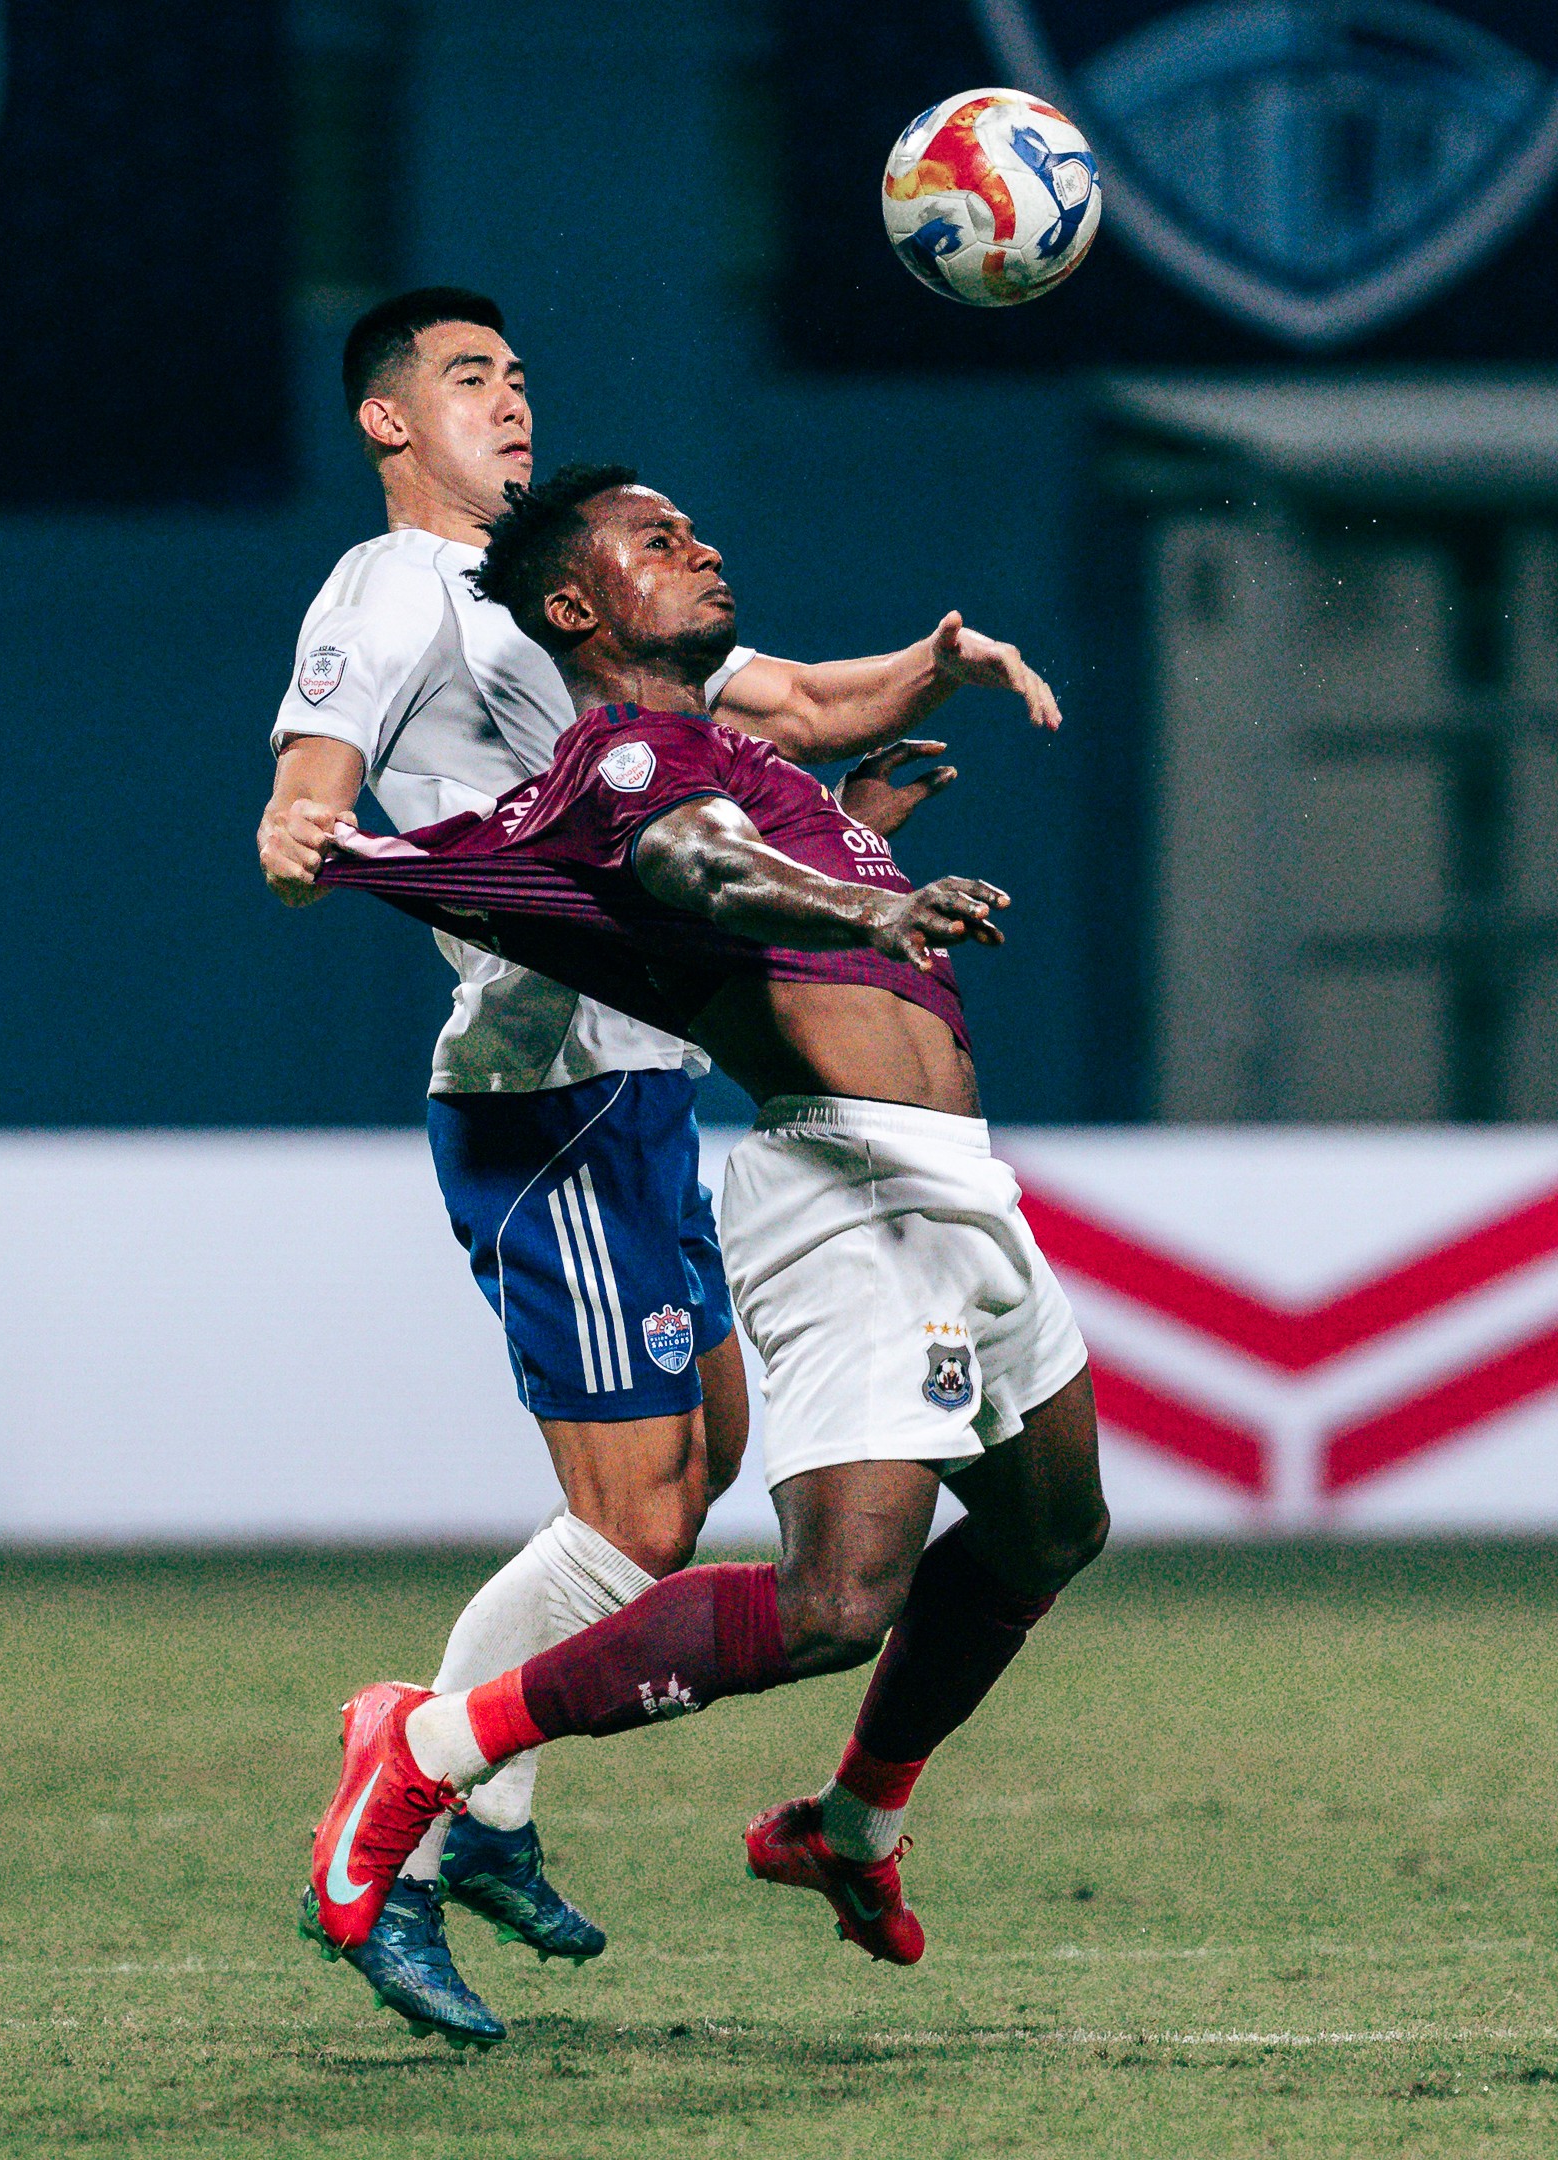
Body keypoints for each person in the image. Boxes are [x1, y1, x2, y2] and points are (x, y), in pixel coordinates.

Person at [257, 288, 1062, 2045]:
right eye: (469, 380)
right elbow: (310, 807)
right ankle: (413, 1802)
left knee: (689, 1482)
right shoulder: (397, 592)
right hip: (546, 1082)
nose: (510, 400)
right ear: (389, 422)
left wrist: (928, 675)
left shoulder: (587, 624)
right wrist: (329, 829)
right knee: (643, 1515)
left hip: (643, 1076)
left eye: (523, 373)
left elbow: (786, 720)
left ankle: (489, 1813)